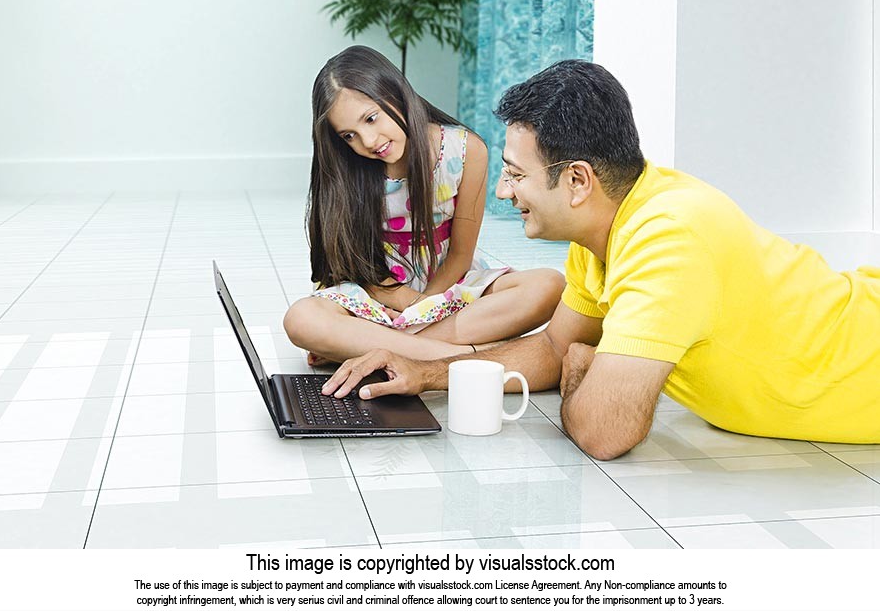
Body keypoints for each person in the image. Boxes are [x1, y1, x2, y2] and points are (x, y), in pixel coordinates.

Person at [320, 59, 880, 460]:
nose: (502, 192)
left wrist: (583, 371)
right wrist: (427, 374)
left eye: (515, 175)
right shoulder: (606, 232)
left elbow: (603, 432)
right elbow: (552, 347)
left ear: (579, 181)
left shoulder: (668, 238)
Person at [283, 46, 564, 365]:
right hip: (377, 293)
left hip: (446, 286)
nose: (369, 141)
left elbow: (461, 255)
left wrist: (424, 304)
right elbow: (348, 259)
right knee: (301, 318)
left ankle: (382, 348)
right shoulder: (347, 168)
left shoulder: (466, 150)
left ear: (395, 92)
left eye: (372, 119)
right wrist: (402, 299)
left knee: (549, 285)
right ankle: (462, 357)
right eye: (350, 135)